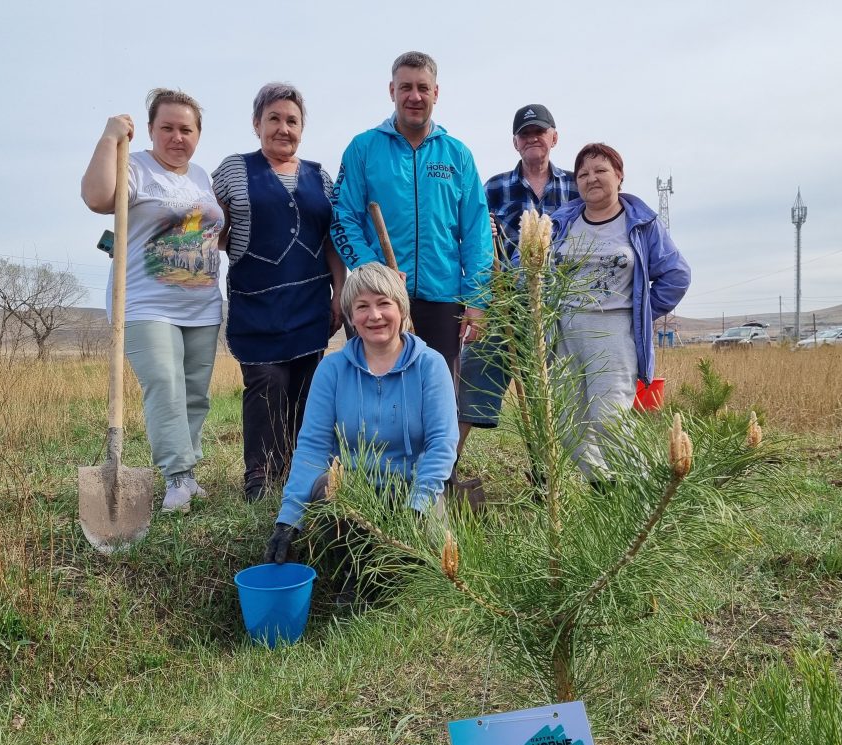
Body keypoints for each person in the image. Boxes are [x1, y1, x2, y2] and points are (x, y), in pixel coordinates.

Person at [81, 88, 223, 513]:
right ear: (150, 130)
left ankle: (189, 473)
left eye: (186, 129)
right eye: (167, 128)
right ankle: (176, 476)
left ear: (198, 134)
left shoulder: (200, 176)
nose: (177, 137)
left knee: (196, 394)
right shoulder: (135, 166)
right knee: (165, 385)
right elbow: (96, 197)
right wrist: (109, 138)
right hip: (146, 305)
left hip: (202, 307)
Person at [263, 262, 457, 569]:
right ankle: (350, 577)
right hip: (352, 492)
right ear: (351, 317)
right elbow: (313, 448)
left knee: (419, 568)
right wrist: (288, 519)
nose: (375, 315)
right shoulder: (332, 369)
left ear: (401, 309)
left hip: (412, 490)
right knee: (325, 487)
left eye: (384, 304)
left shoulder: (430, 365)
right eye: (362, 306)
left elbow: (441, 444)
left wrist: (418, 507)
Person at [212, 83, 345, 502]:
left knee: (306, 390)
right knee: (266, 383)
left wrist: (340, 289)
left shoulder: (319, 177)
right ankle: (259, 476)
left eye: (292, 120)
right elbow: (204, 224)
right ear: (257, 124)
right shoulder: (235, 170)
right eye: (274, 118)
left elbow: (330, 240)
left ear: (302, 128)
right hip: (257, 302)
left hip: (309, 302)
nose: (283, 128)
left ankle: (298, 474)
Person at [330, 51, 492, 378]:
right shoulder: (363, 148)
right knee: (375, 394)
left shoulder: (457, 154)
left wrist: (477, 299)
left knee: (436, 398)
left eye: (422, 87)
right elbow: (342, 217)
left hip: (443, 300)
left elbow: (477, 232)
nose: (414, 96)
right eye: (406, 87)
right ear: (392, 91)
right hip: (377, 296)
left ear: (436, 92)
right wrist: (373, 269)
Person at [548, 142, 690, 482]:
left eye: (600, 171)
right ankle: (606, 488)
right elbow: (530, 265)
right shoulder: (562, 223)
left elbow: (677, 276)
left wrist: (638, 311)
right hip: (565, 333)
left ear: (619, 176)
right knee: (567, 423)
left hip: (613, 333)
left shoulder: (641, 224)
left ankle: (644, 490)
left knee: (608, 419)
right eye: (583, 173)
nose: (591, 179)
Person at [457, 104, 579, 460]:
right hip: (504, 304)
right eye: (525, 134)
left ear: (554, 137)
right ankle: (446, 471)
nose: (532, 139)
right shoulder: (494, 187)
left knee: (546, 393)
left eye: (539, 132)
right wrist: (484, 233)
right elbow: (472, 237)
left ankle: (546, 475)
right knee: (472, 377)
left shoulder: (576, 185)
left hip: (556, 308)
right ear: (515, 143)